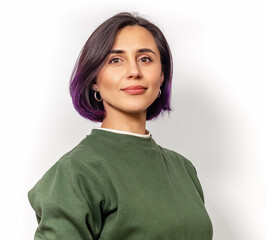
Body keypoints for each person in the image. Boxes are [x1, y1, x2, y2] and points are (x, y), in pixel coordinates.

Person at [28, 12, 213, 240]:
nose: (134, 72)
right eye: (116, 60)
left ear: (162, 75)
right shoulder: (75, 171)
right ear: (94, 79)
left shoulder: (183, 169)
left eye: (145, 59)